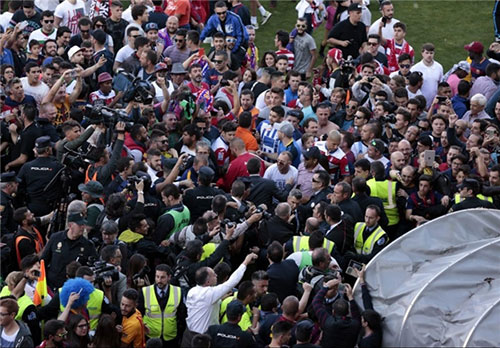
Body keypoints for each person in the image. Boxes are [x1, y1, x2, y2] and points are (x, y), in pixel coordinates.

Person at [181, 252, 257, 345]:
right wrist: (245, 262)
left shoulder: (192, 291)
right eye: (214, 275)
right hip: (202, 338)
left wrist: (220, 299)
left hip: (188, 334)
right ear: (208, 281)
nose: (216, 276)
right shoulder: (210, 294)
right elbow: (232, 282)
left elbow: (204, 305)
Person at [41, 213, 98, 289]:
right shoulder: (56, 238)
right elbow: (43, 260)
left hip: (75, 288)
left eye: (83, 225)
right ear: (70, 225)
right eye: (80, 225)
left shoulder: (87, 245)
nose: (82, 227)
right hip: (53, 286)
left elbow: (94, 265)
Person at [138, 264, 184, 346]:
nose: (159, 280)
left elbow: (182, 315)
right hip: (151, 337)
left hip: (171, 338)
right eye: (157, 277)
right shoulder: (145, 292)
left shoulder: (178, 291)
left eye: (162, 277)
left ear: (169, 277)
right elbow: (139, 313)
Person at [312, 278, 361, 348]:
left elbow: (316, 302)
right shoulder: (355, 325)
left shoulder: (327, 321)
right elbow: (356, 315)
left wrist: (326, 286)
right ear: (347, 312)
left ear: (333, 311)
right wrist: (350, 297)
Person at [411, 43, 443, 109]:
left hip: (435, 103)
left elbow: (440, 84)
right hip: (420, 103)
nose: (429, 55)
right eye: (427, 53)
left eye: (431, 53)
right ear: (422, 53)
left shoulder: (439, 67)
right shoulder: (415, 68)